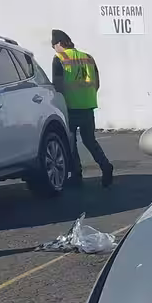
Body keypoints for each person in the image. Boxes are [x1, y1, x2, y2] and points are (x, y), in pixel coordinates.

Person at [50, 30, 114, 187]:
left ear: (59, 43)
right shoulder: (88, 57)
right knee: (90, 140)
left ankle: (76, 174)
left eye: (54, 45)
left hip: (70, 107)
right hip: (87, 105)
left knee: (70, 142)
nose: (54, 49)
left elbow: (58, 85)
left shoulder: (59, 58)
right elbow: (96, 82)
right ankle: (105, 166)